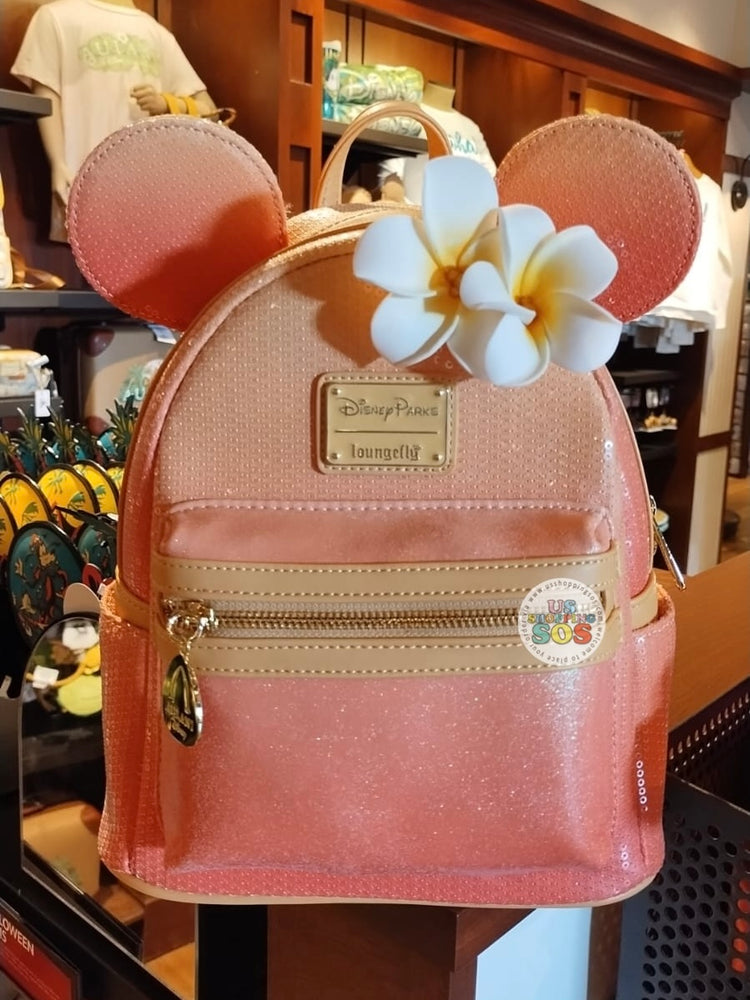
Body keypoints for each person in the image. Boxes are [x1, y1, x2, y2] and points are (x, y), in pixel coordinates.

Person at [11, 0, 216, 240]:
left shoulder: (157, 33)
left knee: (146, 252)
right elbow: (47, 93)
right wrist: (58, 162)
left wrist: (167, 103)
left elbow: (211, 113)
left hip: (153, 189)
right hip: (86, 182)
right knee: (95, 252)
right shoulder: (55, 17)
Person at [380, 81, 496, 203]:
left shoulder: (470, 127)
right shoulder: (409, 117)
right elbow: (391, 179)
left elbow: (492, 179)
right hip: (416, 212)